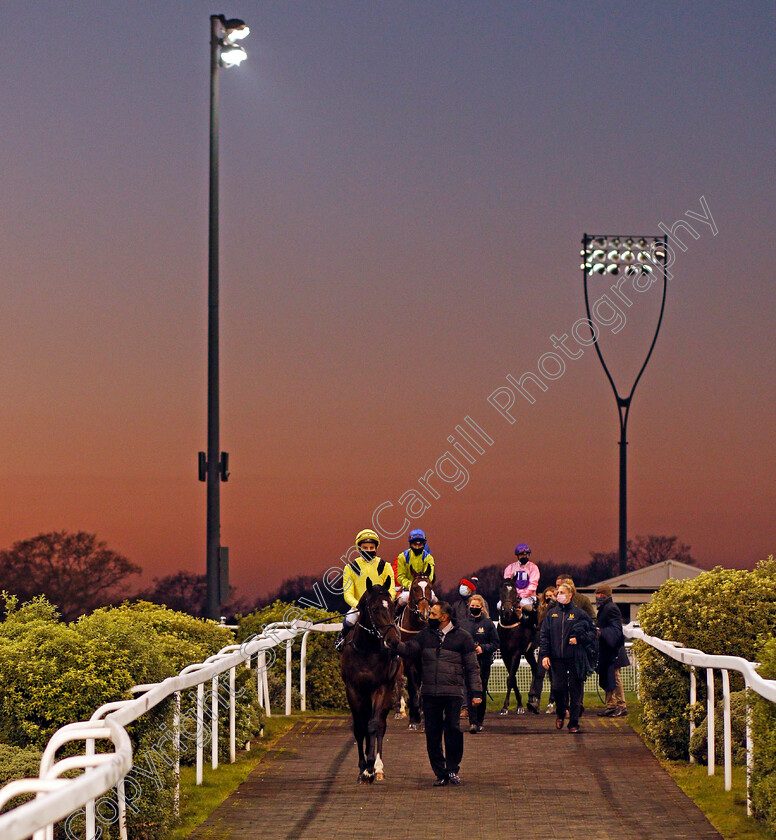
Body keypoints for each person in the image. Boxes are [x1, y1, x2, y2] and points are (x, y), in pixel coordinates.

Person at [389, 601, 482, 786]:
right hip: (430, 693)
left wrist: (476, 692)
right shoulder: (424, 636)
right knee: (432, 733)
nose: (428, 617)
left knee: (453, 730)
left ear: (444, 617)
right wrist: (393, 644)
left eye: (432, 614)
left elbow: (472, 667)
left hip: (453, 693)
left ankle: (453, 770)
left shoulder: (463, 637)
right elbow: (408, 650)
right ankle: (440, 773)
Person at [539, 582, 597, 733]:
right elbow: (544, 636)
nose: (559, 596)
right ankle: (560, 712)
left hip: (575, 658)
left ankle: (573, 723)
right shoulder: (552, 614)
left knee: (575, 690)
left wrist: (580, 639)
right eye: (558, 593)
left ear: (570, 595)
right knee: (558, 688)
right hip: (557, 658)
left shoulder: (579, 614)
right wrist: (544, 655)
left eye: (562, 593)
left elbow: (593, 632)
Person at [335, 529, 396, 651]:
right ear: (359, 549)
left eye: (371, 547)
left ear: (376, 548)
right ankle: (341, 640)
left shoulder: (385, 566)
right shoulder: (350, 568)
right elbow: (348, 594)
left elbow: (391, 590)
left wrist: (385, 603)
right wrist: (358, 605)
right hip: (360, 608)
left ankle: (396, 650)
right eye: (365, 547)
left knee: (394, 627)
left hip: (380, 608)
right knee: (349, 621)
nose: (369, 550)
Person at [461, 594, 499, 733]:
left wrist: (483, 648)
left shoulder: (488, 624)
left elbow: (495, 643)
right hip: (468, 663)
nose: (475, 608)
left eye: (477, 606)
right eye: (473, 606)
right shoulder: (464, 623)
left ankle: (480, 720)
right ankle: (472, 722)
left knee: (481, 692)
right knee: (470, 691)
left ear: (482, 608)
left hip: (483, 663)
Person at [595, 584, 629, 717]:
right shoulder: (606, 608)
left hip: (613, 649)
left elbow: (616, 629)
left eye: (599, 595)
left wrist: (601, 632)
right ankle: (611, 705)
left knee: (614, 677)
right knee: (608, 676)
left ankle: (620, 705)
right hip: (607, 648)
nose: (598, 598)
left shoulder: (610, 608)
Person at [527, 586, 557, 714]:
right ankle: (536, 701)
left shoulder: (557, 610)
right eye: (547, 596)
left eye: (551, 596)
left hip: (554, 645)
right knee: (539, 674)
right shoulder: (541, 610)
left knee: (553, 676)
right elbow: (536, 623)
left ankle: (551, 703)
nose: (549, 598)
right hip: (543, 645)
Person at [395, 529, 436, 608]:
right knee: (403, 600)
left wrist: (422, 585)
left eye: (420, 545)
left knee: (435, 600)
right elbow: (400, 576)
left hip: (424, 587)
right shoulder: (402, 557)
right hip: (408, 588)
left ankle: (436, 620)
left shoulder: (429, 558)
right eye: (415, 545)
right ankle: (396, 618)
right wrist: (411, 585)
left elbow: (430, 576)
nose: (417, 547)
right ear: (410, 544)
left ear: (424, 545)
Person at [503, 544, 540, 613]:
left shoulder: (534, 567)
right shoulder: (510, 568)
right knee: (499, 605)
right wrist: (514, 595)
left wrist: (522, 595)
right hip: (512, 596)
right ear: (517, 556)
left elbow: (533, 584)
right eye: (522, 555)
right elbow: (507, 584)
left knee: (524, 605)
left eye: (526, 554)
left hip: (529, 596)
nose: (524, 556)